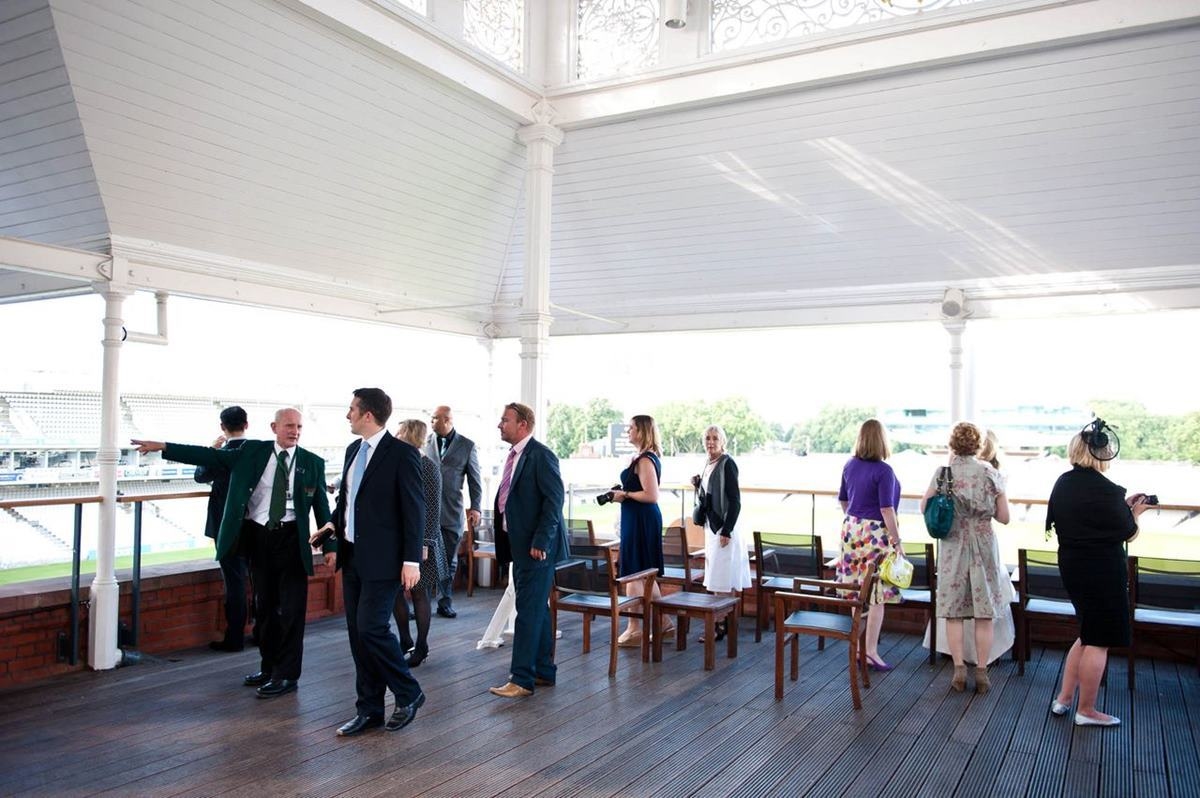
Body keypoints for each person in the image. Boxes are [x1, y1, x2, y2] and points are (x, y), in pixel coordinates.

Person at [131, 408, 335, 698]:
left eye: (299, 426)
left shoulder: (312, 463)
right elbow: (208, 457)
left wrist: (330, 545)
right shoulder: (251, 452)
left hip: (292, 542)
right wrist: (164, 447)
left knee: (291, 611)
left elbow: (323, 509)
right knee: (264, 609)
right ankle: (268, 668)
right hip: (259, 538)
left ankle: (287, 675)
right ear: (274, 427)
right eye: (290, 426)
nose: (295, 431)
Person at [325, 388, 427, 737]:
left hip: (387, 561)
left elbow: (415, 510)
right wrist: (332, 525)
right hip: (352, 556)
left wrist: (411, 560)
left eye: (351, 409)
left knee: (371, 628)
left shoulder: (403, 454)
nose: (347, 415)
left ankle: (408, 692)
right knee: (358, 635)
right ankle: (368, 710)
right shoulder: (354, 450)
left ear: (368, 414)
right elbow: (349, 501)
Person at [1046, 420, 1150, 727]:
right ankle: (1087, 710)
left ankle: (1064, 699)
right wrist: (1134, 512)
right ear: (1104, 453)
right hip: (1101, 570)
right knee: (1099, 639)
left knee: (1088, 632)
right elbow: (1128, 532)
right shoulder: (1107, 491)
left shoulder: (1063, 483)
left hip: (1072, 566)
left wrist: (1121, 507)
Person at [920, 422, 1012, 694]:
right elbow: (1004, 517)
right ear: (979, 445)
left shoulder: (943, 473)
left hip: (953, 545)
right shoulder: (991, 473)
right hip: (983, 545)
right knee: (984, 613)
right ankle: (982, 671)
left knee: (954, 612)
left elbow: (925, 506)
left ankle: (959, 669)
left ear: (953, 445)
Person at [489, 402, 570, 699]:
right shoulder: (515, 456)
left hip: (537, 549)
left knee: (527, 611)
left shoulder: (541, 455)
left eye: (504, 420)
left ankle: (521, 679)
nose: (500, 425)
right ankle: (543, 671)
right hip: (520, 546)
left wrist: (540, 542)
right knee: (538, 608)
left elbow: (553, 501)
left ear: (522, 424)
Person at [837, 419, 902, 671]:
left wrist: (856, 520)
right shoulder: (884, 471)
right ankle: (871, 651)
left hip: (851, 528)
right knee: (877, 594)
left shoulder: (849, 465)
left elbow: (843, 500)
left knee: (856, 592)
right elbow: (887, 509)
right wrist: (897, 542)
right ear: (882, 440)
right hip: (875, 532)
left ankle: (857, 648)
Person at [194, 405, 252, 652]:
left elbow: (200, 476)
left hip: (226, 525)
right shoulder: (257, 452)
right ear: (246, 425)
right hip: (254, 522)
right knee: (258, 578)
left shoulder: (221, 454)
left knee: (235, 581)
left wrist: (211, 449)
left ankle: (235, 637)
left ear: (222, 427)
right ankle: (262, 632)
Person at [393, 419, 445, 667]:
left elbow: (433, 508)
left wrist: (423, 543)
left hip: (422, 541)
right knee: (394, 591)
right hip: (396, 539)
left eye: (399, 431)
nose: (395, 434)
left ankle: (421, 645)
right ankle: (405, 641)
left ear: (409, 435)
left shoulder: (428, 467)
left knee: (419, 592)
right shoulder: (398, 462)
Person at [691, 424, 751, 642]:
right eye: (707, 438)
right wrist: (698, 484)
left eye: (715, 438)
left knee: (723, 577)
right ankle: (724, 623)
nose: (710, 442)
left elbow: (735, 501)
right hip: (711, 527)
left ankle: (720, 625)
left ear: (722, 441)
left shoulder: (727, 464)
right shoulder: (708, 463)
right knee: (718, 575)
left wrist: (727, 530)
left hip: (724, 528)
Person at [612, 415, 668, 645]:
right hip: (635, 518)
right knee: (637, 573)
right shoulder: (642, 458)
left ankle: (638, 626)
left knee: (636, 572)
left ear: (642, 431)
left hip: (642, 520)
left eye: (631, 428)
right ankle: (660, 623)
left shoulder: (645, 459)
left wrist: (624, 495)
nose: (627, 431)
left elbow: (651, 495)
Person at [426, 406, 482, 619]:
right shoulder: (424, 442)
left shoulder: (467, 446)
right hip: (426, 513)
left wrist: (476, 506)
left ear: (447, 420)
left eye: (434, 419)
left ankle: (444, 602)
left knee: (448, 560)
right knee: (424, 560)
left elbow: (475, 480)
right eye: (431, 419)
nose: (431, 423)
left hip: (452, 513)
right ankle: (422, 603)